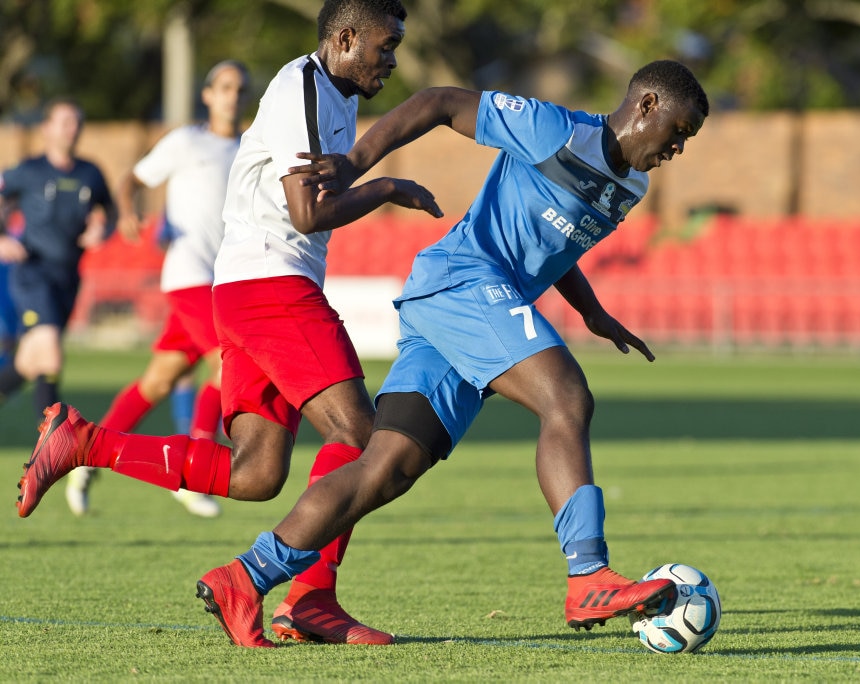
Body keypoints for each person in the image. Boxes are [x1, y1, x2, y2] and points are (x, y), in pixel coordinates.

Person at [18, 58, 708, 647]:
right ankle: (588, 574)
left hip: (463, 314)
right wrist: (356, 165)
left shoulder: (629, 187)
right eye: (677, 132)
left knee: (383, 469)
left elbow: (553, 249)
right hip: (463, 283)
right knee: (568, 398)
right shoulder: (556, 128)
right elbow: (439, 102)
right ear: (645, 104)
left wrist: (593, 312)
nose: (676, 149)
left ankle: (249, 576)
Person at [16, 0, 439, 647]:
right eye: (386, 45)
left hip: (245, 289)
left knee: (256, 472)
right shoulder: (301, 85)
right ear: (346, 37)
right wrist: (388, 191)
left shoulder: (340, 95)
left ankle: (84, 443)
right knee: (362, 435)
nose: (392, 58)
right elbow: (305, 212)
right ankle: (308, 599)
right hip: (272, 285)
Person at [63, 60, 250, 519]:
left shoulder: (251, 148)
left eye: (240, 88)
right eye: (224, 87)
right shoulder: (188, 141)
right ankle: (193, 474)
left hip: (224, 279)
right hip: (188, 275)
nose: (232, 95)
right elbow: (134, 179)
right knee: (230, 362)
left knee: (160, 379)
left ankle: (85, 454)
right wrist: (127, 210)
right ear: (207, 95)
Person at [0, 99, 115, 416]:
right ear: (46, 128)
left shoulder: (90, 173)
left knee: (28, 362)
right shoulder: (29, 170)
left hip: (67, 277)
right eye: (64, 122)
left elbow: (113, 211)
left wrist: (102, 231)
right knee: (50, 353)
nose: (72, 129)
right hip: (32, 273)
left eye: (77, 122)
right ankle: (55, 450)